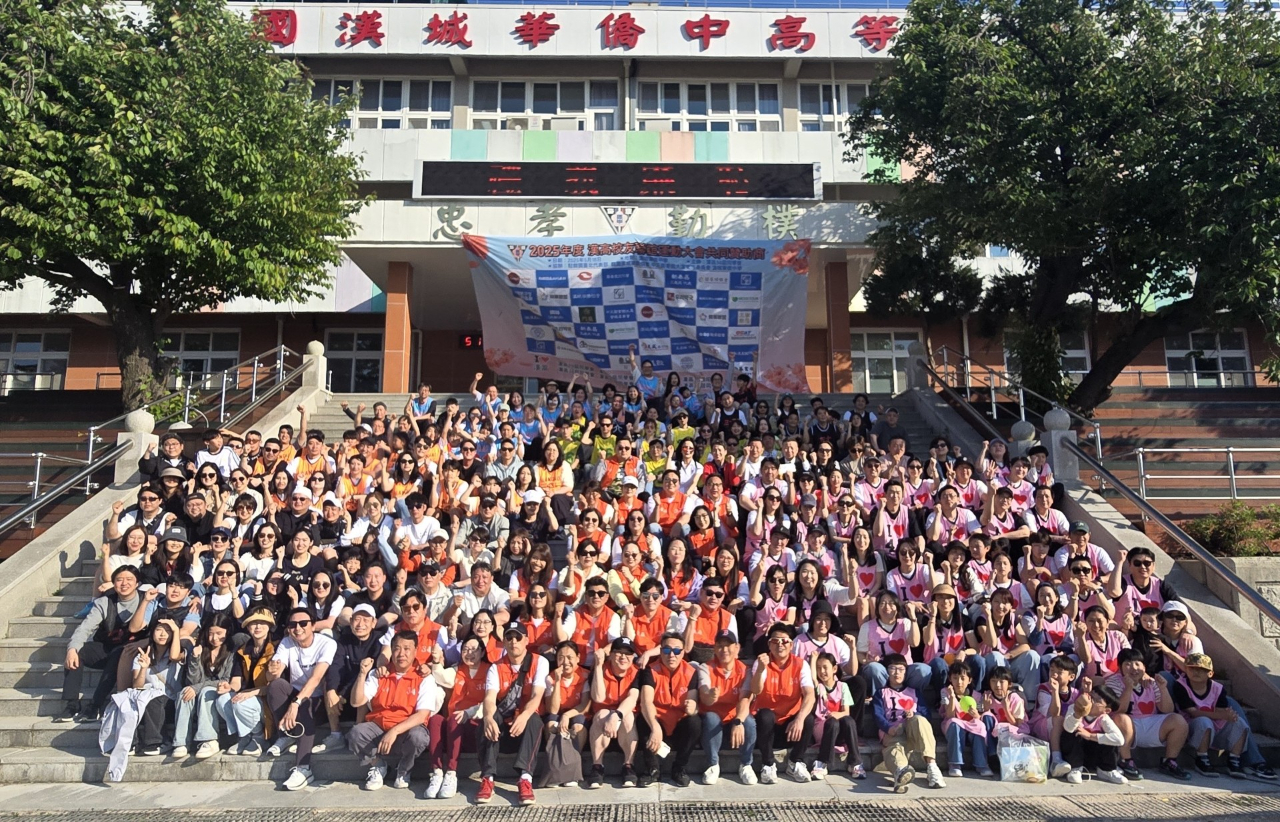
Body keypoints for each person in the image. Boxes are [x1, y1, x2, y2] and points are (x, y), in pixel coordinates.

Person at [348, 630, 442, 791]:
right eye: (397, 648)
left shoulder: (424, 677)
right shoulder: (379, 674)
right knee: (356, 733)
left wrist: (394, 731)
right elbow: (356, 702)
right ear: (391, 650)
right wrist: (362, 674)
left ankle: (404, 770)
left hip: (406, 730)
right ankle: (378, 765)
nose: (401, 654)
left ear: (415, 651)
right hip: (379, 727)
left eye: (407, 649)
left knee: (419, 737)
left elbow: (421, 716)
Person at [56, 565, 145, 723]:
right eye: (119, 580)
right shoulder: (104, 602)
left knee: (118, 654)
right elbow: (85, 628)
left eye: (129, 579)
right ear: (114, 583)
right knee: (78, 652)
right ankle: (72, 704)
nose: (124, 583)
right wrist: (72, 649)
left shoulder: (146, 600)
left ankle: (95, 705)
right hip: (106, 647)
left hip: (132, 652)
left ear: (137, 583)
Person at [265, 607, 337, 790]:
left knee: (304, 707)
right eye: (293, 625)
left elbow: (316, 678)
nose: (298, 628)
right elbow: (275, 673)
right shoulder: (287, 642)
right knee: (276, 686)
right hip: (296, 695)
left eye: (303, 623)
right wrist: (272, 672)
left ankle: (303, 768)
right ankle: (286, 735)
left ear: (313, 625)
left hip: (319, 700)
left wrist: (296, 703)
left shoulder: (327, 643)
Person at [1172, 652, 1276, 779]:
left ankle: (1234, 759)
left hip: (1214, 724)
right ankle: (1202, 758)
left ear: (1210, 673)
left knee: (1239, 723)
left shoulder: (1218, 688)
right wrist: (1221, 715)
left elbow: (1220, 711)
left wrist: (1226, 715)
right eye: (1192, 668)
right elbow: (1192, 712)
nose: (1196, 672)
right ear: (1186, 669)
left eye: (1202, 670)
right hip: (1191, 725)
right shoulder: (1180, 685)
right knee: (1204, 721)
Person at [478, 623, 549, 804]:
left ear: (526, 640)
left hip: (527, 728)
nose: (513, 642)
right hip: (505, 727)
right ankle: (488, 778)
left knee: (534, 718)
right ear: (504, 641)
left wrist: (524, 716)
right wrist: (488, 718)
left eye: (518, 637)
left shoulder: (539, 662)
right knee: (488, 719)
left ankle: (525, 778)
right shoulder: (496, 667)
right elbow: (489, 698)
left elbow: (537, 695)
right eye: (509, 638)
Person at [1105, 648, 1191, 781]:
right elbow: (1119, 709)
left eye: (1137, 664)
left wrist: (1162, 688)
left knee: (1178, 720)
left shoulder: (1151, 682)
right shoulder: (1113, 681)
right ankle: (1126, 760)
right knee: (1121, 718)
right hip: (1129, 726)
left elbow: (1167, 709)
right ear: (1120, 667)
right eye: (1128, 664)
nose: (1134, 668)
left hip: (1151, 723)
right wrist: (1128, 688)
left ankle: (1169, 761)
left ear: (1144, 667)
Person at [749, 622, 816, 784]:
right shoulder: (761, 662)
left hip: (791, 728)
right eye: (775, 641)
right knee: (765, 715)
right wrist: (760, 669)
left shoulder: (801, 664)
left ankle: (795, 762)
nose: (780, 644)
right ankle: (768, 764)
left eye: (785, 641)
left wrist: (799, 719)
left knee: (808, 718)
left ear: (791, 645)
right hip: (767, 729)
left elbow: (810, 694)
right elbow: (755, 690)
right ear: (769, 644)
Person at [874, 653, 945, 791]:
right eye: (892, 669)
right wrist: (887, 728)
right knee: (893, 751)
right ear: (887, 671)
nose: (896, 673)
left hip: (913, 730)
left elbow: (926, 714)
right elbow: (878, 715)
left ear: (906, 672)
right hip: (893, 731)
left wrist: (914, 714)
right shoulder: (881, 693)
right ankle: (901, 773)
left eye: (901, 669)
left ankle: (932, 766)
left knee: (920, 719)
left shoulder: (914, 692)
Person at [637, 632, 699, 787]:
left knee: (695, 722)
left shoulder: (691, 672)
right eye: (666, 650)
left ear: (683, 653)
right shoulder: (650, 670)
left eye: (677, 651)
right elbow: (646, 702)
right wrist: (655, 727)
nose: (672, 655)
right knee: (643, 719)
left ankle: (679, 768)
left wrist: (693, 708)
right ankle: (652, 769)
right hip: (658, 722)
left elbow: (693, 703)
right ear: (660, 651)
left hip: (678, 725)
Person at [587, 637, 642, 788]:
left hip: (625, 717)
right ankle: (597, 766)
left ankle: (628, 765)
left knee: (628, 716)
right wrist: (598, 667)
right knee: (601, 715)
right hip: (602, 717)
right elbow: (598, 697)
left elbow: (632, 698)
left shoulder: (637, 672)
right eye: (618, 652)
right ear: (610, 655)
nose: (623, 657)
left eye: (628, 653)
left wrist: (616, 715)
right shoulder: (601, 669)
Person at [220, 608, 276, 755]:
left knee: (241, 703)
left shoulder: (276, 648)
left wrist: (251, 693)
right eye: (253, 623)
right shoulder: (242, 650)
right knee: (222, 700)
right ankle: (245, 736)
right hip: (249, 698)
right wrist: (228, 687)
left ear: (269, 626)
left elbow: (276, 686)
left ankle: (259, 737)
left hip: (267, 700)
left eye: (262, 622)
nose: (257, 627)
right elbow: (236, 681)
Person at [1059, 685, 1127, 784]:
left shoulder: (1103, 718)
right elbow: (1067, 728)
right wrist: (1078, 714)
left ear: (1106, 710)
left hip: (1093, 755)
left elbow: (1119, 739)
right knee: (1072, 733)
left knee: (1110, 738)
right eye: (1091, 697)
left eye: (1097, 700)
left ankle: (1106, 770)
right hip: (1075, 754)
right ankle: (1075, 768)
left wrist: (1090, 736)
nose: (1091, 701)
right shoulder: (1074, 708)